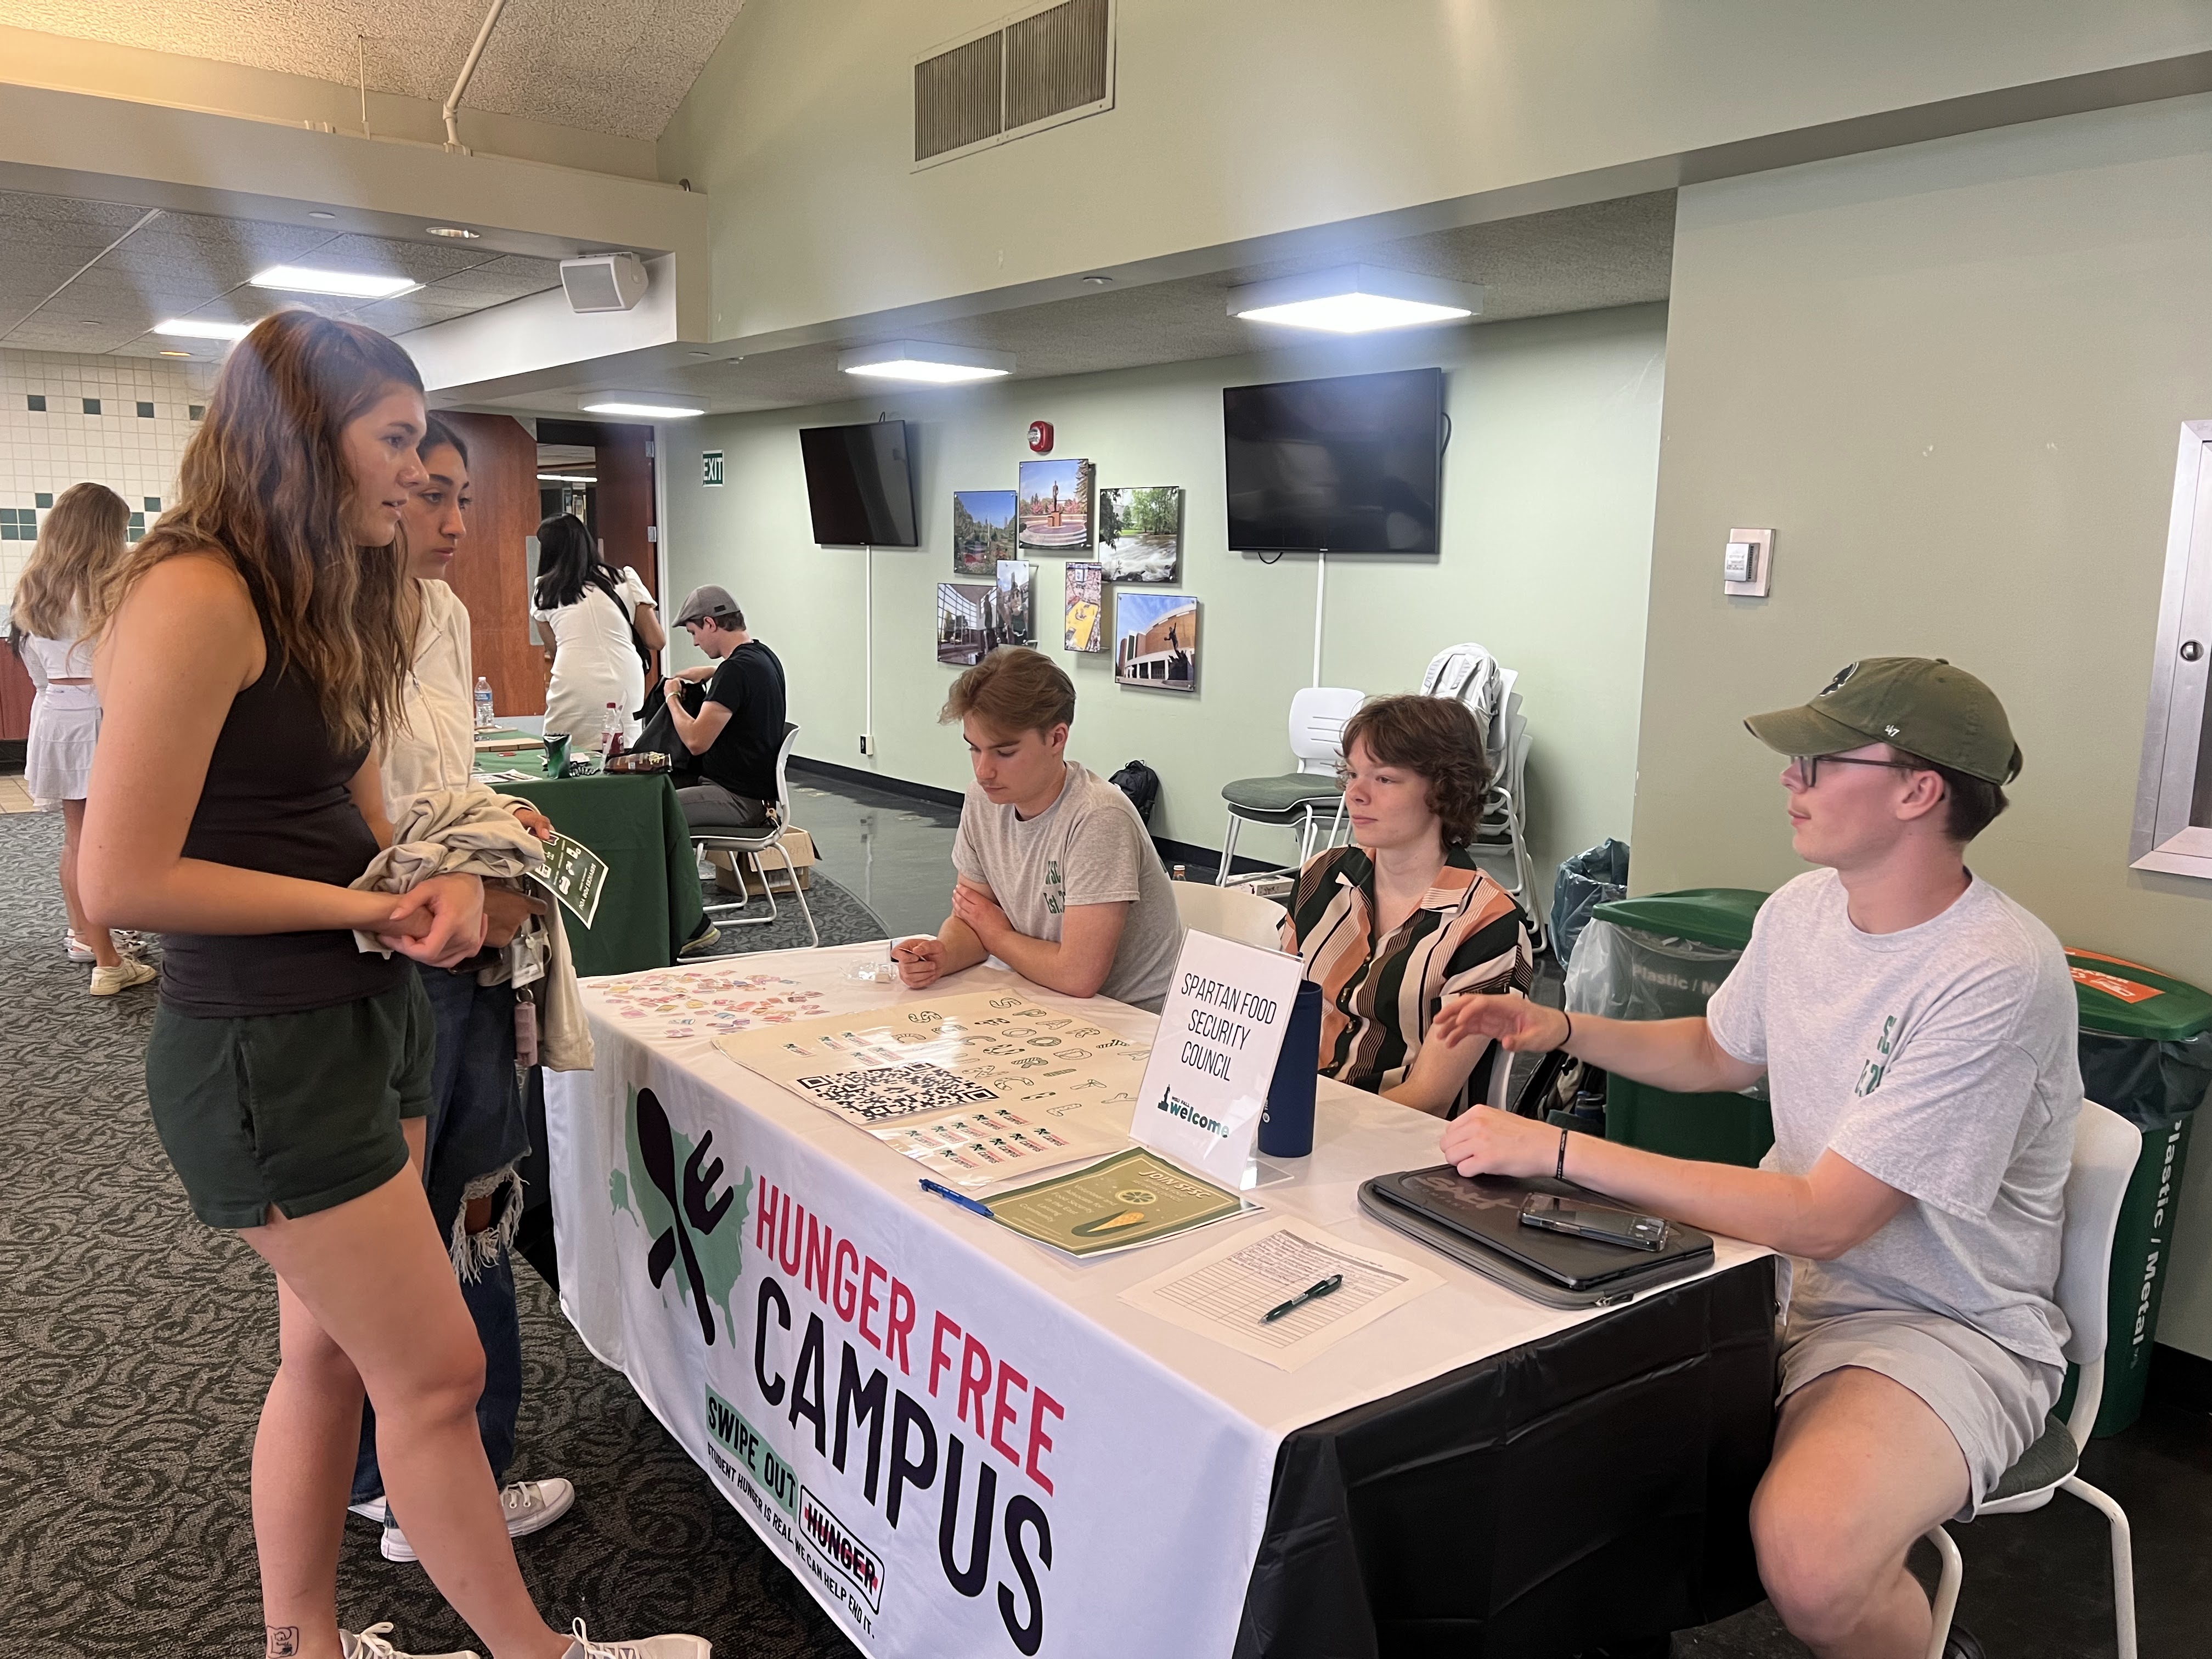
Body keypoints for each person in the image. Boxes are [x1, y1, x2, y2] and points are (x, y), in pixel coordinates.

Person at [80, 309, 704, 1659]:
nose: (421, 477)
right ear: (304, 439)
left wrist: (455, 884)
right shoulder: (196, 591)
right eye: (400, 441)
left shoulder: (327, 597)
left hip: (360, 1017)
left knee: (326, 1360)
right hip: (266, 1048)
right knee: (436, 1371)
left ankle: (300, 1643)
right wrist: (364, 904)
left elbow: (368, 829)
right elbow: (121, 879)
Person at [1429, 658, 2075, 1659]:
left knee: (1811, 1553)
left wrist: (1559, 1146)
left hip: (1938, 1319)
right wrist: (1553, 1022)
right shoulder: (1803, 909)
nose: (1790, 777)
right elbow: (1716, 1049)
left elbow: (1827, 1214)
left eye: (1818, 759)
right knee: (1536, 1427)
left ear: (1918, 789)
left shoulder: (1993, 970)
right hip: (1771, 1276)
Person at [345, 416, 577, 1568]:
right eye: (428, 494)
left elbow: (433, 774)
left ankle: (400, 1476)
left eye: (461, 498)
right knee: (424, 1224)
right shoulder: (325, 621)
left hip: (460, 944)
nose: (449, 521)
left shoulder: (443, 614)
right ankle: (445, 1486)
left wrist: (497, 812)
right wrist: (443, 878)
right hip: (380, 964)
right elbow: (355, 821)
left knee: (472, 1204)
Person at [1278, 695, 1530, 1116]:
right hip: (1298, 1112)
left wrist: (1304, 1119)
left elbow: (1428, 1098)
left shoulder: (1488, 924)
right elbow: (1276, 1010)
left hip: (1395, 1142)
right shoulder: (1322, 876)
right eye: (1353, 774)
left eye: (1385, 780)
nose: (1355, 794)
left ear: (1444, 790)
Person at [894, 645, 1182, 1012]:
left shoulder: (1098, 817)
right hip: (1043, 995)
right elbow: (973, 918)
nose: (983, 771)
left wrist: (997, 934)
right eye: (974, 749)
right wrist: (943, 954)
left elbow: (1077, 976)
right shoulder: (984, 799)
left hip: (1130, 1019)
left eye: (1004, 752)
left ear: (1057, 738)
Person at [7, 481, 157, 996]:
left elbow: (35, 671)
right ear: (104, 532)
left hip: (54, 717)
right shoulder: (115, 584)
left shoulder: (32, 585)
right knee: (113, 838)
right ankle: (110, 957)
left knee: (76, 839)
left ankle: (86, 936)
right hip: (105, 712)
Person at [648, 584, 787, 833]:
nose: (694, 643)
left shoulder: (734, 671)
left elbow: (695, 740)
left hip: (736, 801)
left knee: (645, 809)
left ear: (710, 624)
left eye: (693, 633)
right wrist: (714, 672)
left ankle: (668, 874)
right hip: (755, 796)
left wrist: (672, 698)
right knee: (658, 787)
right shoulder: (764, 656)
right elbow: (747, 682)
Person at [531, 513, 662, 752]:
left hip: (574, 678)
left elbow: (555, 650)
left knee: (565, 752)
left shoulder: (545, 590)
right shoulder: (623, 579)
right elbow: (656, 640)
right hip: (625, 677)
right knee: (621, 750)